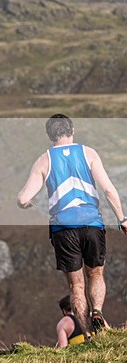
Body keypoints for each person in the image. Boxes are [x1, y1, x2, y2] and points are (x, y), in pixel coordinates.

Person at [17, 114, 125, 336]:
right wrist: (122, 219)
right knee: (96, 274)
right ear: (72, 130)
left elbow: (22, 198)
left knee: (76, 286)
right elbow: (108, 189)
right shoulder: (89, 153)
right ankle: (97, 310)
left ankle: (87, 335)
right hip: (91, 223)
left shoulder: (44, 160)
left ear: (50, 135)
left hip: (63, 228)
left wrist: (27, 204)